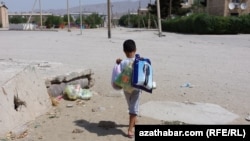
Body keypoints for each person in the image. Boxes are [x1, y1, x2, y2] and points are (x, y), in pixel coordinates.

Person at [116, 39, 141, 138]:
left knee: (131, 105)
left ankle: (134, 119)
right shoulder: (139, 61)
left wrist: (119, 61)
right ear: (135, 50)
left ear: (124, 51)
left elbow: (122, 69)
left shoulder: (123, 63)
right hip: (136, 88)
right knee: (134, 108)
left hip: (126, 89)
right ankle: (130, 130)